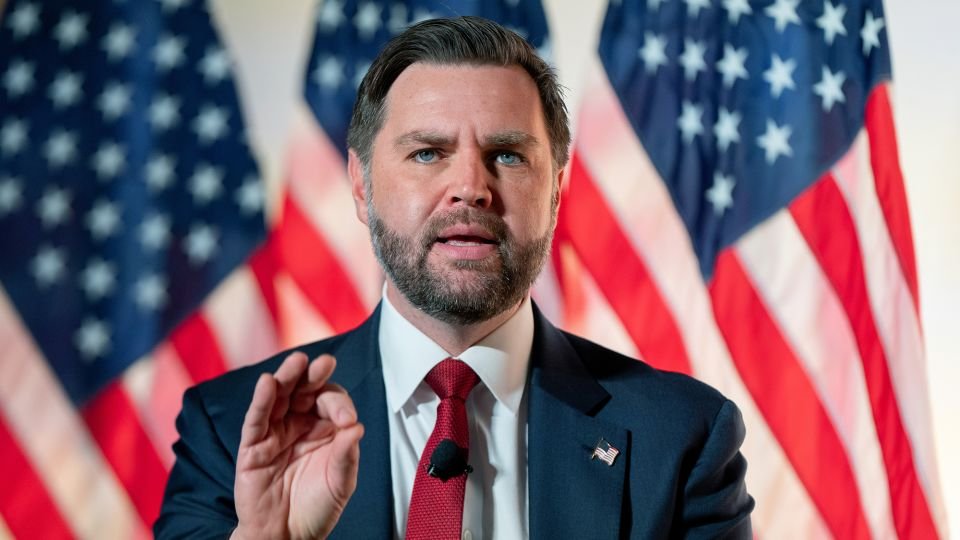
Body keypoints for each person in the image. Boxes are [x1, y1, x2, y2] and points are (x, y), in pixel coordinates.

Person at [154, 16, 754, 539]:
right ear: (361, 185)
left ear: (555, 191)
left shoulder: (684, 438)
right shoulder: (230, 432)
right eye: (428, 153)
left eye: (508, 155)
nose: (470, 187)